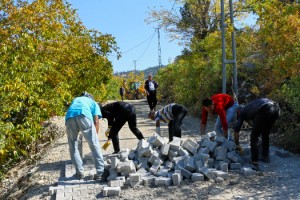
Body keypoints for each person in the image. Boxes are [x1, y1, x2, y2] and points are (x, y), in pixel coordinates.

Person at [65, 91, 105, 180]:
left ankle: (79, 173)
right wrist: (94, 137)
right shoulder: (93, 103)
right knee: (94, 145)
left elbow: (73, 111)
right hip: (84, 115)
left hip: (69, 117)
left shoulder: (76, 99)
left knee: (73, 146)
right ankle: (100, 173)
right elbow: (96, 121)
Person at [234, 98, 280, 170]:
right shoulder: (250, 107)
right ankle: (265, 156)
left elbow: (236, 130)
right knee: (265, 133)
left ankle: (254, 162)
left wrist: (237, 144)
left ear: (238, 111)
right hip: (276, 108)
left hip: (265, 109)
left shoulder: (242, 112)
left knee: (254, 136)